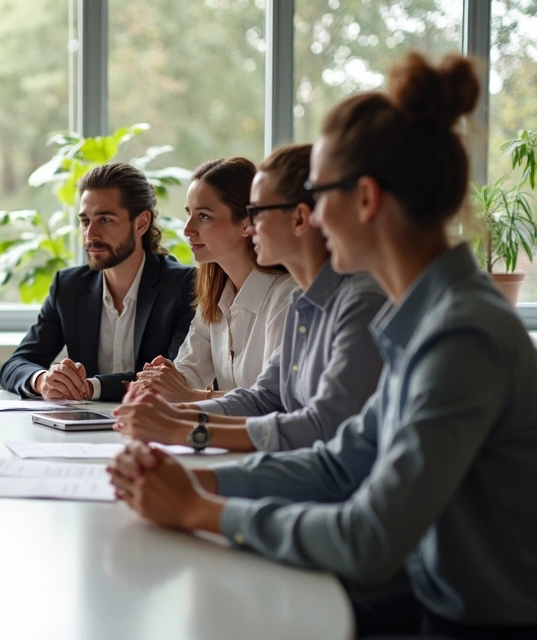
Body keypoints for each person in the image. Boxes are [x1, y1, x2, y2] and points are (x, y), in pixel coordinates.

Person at [109, 53, 537, 638]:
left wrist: (197, 508)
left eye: (320, 192)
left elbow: (369, 538)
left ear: (364, 200)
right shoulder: (429, 318)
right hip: (430, 601)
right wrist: (189, 481)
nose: (311, 215)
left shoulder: (461, 335)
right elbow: (342, 463)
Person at [116, 144, 387, 452]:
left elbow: (317, 427)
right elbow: (264, 398)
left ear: (300, 219)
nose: (250, 225)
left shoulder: (352, 302)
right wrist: (171, 415)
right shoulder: (304, 300)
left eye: (256, 213)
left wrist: (186, 427)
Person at [0, 163, 196, 402]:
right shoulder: (69, 286)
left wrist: (90, 387)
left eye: (105, 220)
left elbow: (175, 378)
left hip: (155, 428)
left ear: (142, 223)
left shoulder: (183, 285)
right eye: (85, 221)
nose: (91, 235)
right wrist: (43, 380)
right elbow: (15, 365)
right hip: (83, 430)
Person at [133, 158, 296, 402]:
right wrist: (161, 380)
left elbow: (277, 401)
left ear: (246, 223)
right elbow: (188, 372)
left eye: (204, 216)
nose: (188, 229)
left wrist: (192, 395)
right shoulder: (214, 296)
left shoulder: (287, 298)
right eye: (189, 214)